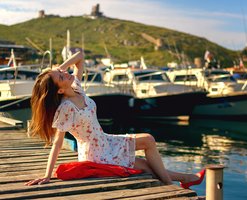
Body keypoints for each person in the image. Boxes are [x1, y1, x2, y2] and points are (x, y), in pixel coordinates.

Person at [24, 51, 205, 188]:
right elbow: (57, 143)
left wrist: (60, 68)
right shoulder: (66, 108)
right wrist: (47, 175)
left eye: (63, 72)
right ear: (60, 90)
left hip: (106, 141)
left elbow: (80, 57)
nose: (66, 73)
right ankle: (177, 184)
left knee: (149, 144)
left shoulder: (77, 88)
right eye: (62, 77)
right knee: (148, 160)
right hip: (96, 154)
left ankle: (185, 180)